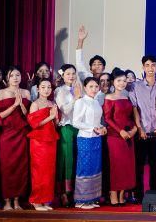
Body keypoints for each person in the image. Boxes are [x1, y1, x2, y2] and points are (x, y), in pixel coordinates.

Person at [129, 55, 156, 203]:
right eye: (147, 65)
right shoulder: (135, 87)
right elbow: (134, 108)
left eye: (153, 65)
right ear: (143, 67)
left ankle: (155, 195)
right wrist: (139, 128)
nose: (150, 68)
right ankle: (139, 195)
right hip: (141, 132)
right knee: (138, 165)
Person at [0, 67, 31, 210]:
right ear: (7, 78)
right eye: (12, 75)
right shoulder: (1, 93)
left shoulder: (26, 92)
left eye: (18, 75)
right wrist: (14, 105)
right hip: (7, 135)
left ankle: (16, 201)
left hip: (22, 134)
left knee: (20, 168)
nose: (15, 78)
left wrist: (21, 105)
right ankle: (6, 202)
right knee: (7, 168)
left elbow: (29, 116)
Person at [103, 69, 137, 206]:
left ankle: (122, 193)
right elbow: (107, 118)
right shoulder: (109, 97)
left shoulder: (127, 97)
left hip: (128, 135)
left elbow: (130, 116)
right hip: (114, 136)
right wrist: (120, 131)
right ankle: (113, 193)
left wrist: (134, 129)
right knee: (116, 165)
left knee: (126, 166)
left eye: (124, 80)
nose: (122, 83)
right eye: (119, 80)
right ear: (113, 82)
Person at [72, 77, 107, 209]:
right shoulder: (81, 102)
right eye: (91, 86)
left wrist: (102, 128)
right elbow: (76, 122)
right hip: (85, 138)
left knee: (95, 167)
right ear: (85, 88)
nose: (94, 89)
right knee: (85, 167)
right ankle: (80, 201)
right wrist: (93, 128)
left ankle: (91, 199)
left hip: (96, 138)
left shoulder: (96, 102)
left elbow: (97, 121)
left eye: (96, 86)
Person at [28, 79, 59, 211]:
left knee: (49, 171)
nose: (46, 90)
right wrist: (50, 117)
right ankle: (36, 201)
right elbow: (34, 124)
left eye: (49, 87)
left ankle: (45, 200)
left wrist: (56, 118)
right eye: (43, 87)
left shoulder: (52, 103)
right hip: (39, 141)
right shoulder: (35, 104)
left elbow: (55, 124)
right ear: (38, 89)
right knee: (38, 171)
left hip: (51, 139)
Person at [54, 65, 79, 206]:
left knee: (75, 159)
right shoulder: (59, 90)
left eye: (73, 73)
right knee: (66, 159)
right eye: (68, 73)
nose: (71, 76)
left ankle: (75, 192)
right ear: (62, 76)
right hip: (66, 127)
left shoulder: (78, 88)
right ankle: (64, 193)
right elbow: (65, 110)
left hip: (78, 128)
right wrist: (76, 98)